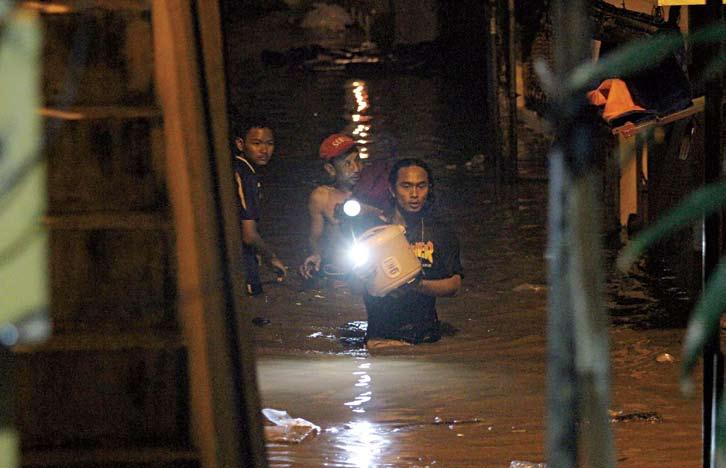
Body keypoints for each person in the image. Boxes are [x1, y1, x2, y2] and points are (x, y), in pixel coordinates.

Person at [362, 158, 463, 345]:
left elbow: (454, 285)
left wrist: (415, 285)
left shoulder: (441, 232)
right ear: (392, 190)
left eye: (421, 186)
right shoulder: (372, 231)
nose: (414, 194)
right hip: (381, 338)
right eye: (406, 186)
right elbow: (352, 284)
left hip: (426, 338)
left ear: (429, 189)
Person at [232, 115, 287, 296]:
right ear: (240, 144)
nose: (264, 150)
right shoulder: (246, 175)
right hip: (243, 267)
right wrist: (271, 258)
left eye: (269, 143)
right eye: (256, 143)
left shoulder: (238, 169)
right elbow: (249, 234)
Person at [299, 133, 366, 280]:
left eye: (358, 161)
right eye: (347, 164)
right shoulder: (321, 197)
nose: (356, 168)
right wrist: (315, 256)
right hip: (338, 274)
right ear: (330, 169)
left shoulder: (371, 192)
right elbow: (315, 239)